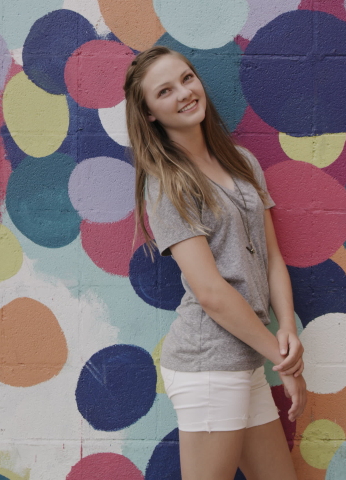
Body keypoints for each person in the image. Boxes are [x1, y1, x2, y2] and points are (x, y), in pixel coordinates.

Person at [124, 46, 307, 479]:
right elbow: (209, 292)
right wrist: (284, 361)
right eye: (165, 91)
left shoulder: (242, 164)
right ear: (149, 113)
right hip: (208, 362)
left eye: (187, 78)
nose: (185, 93)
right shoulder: (168, 183)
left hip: (248, 356)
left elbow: (272, 257)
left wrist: (286, 329)